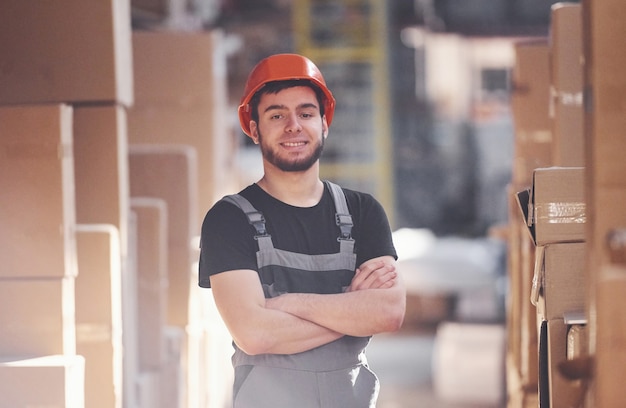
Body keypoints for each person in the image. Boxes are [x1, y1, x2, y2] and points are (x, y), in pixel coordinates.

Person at [198, 53, 406, 408]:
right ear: (253, 127)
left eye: (306, 114)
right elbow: (255, 333)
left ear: (324, 123)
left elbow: (388, 312)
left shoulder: (363, 212)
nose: (293, 126)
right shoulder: (227, 220)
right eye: (276, 115)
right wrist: (353, 312)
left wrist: (289, 305)